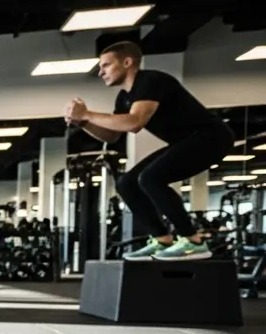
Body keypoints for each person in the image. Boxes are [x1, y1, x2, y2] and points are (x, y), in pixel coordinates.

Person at [66, 41, 233, 261]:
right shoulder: (124, 97)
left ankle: (194, 241)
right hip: (186, 141)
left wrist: (87, 114)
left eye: (106, 65)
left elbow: (134, 122)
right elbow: (113, 135)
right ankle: (163, 239)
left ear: (127, 62)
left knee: (151, 178)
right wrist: (83, 123)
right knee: (127, 183)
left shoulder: (150, 81)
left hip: (211, 137)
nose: (100, 72)